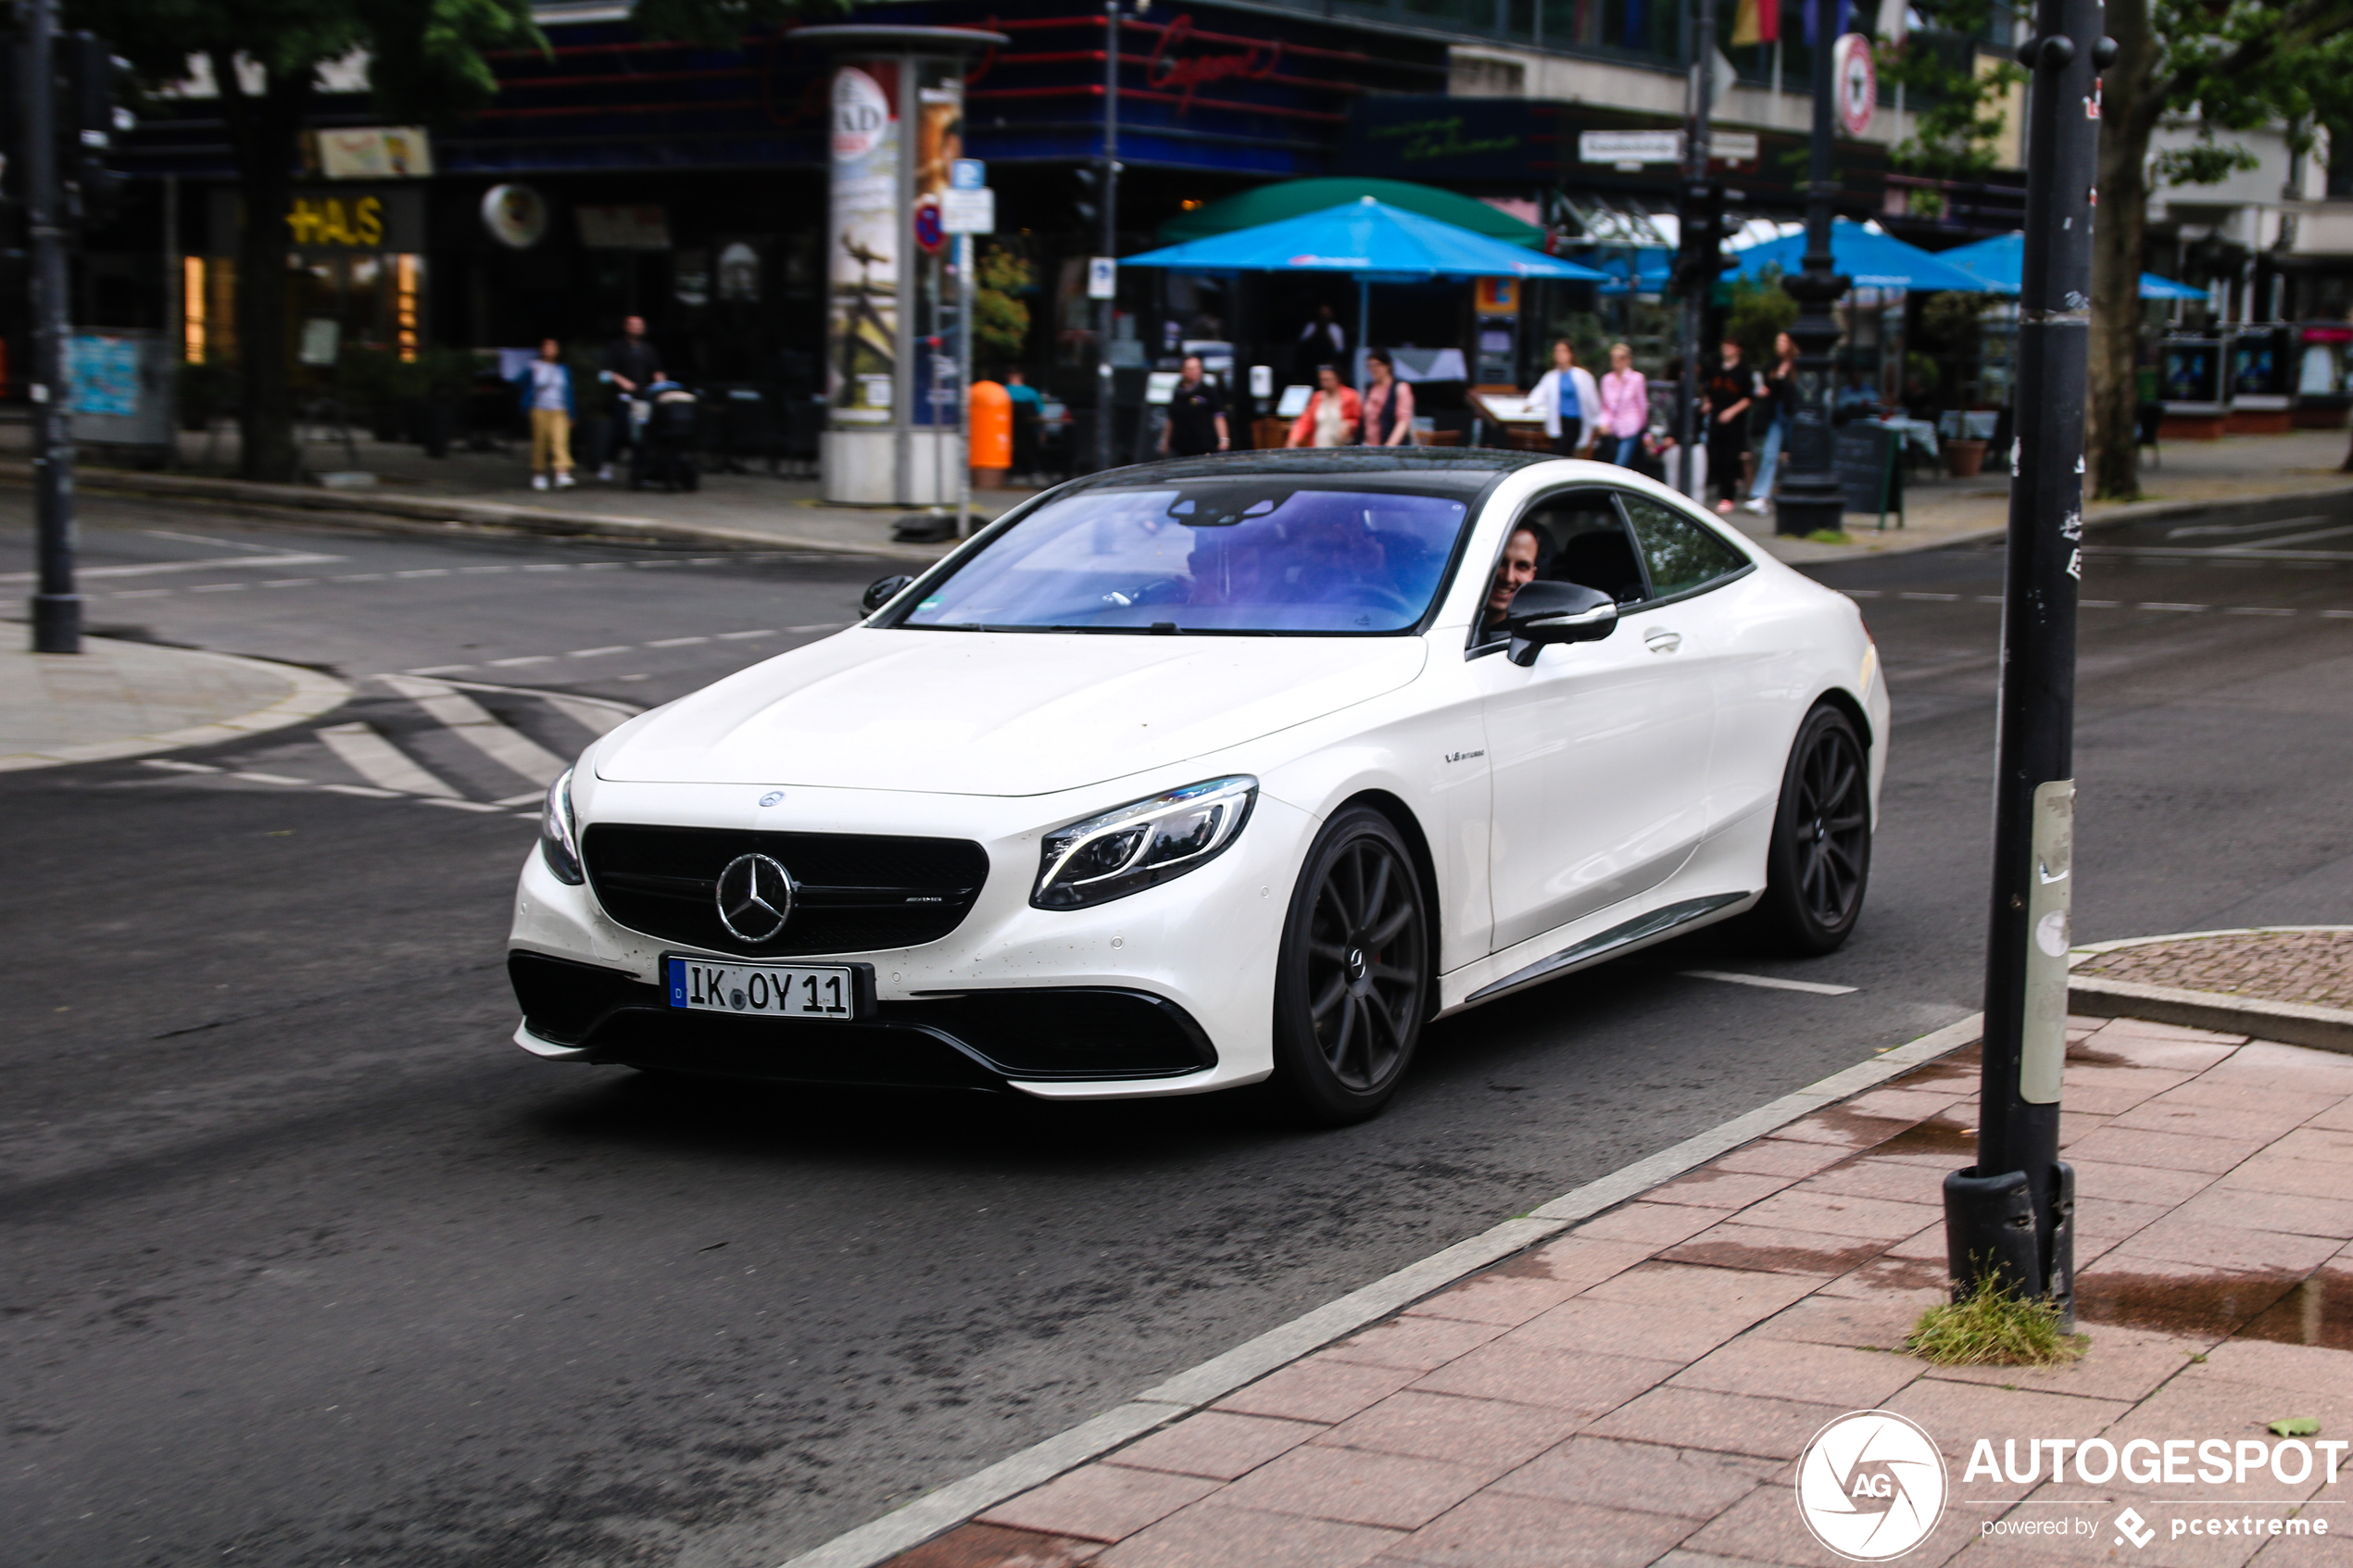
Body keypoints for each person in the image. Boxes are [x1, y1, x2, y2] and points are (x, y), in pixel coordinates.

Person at [1702, 337, 1757, 515]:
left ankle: (1728, 496)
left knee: (1729, 459)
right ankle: (1721, 490)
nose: (1726, 349)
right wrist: (1707, 403)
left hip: (1734, 424)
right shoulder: (1716, 368)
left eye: (1730, 346)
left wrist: (1732, 412)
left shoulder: (1744, 371)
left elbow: (1748, 398)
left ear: (1738, 349)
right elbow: (1708, 391)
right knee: (1715, 457)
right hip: (1715, 420)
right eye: (1724, 346)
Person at [512, 337, 576, 491]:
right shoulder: (534, 366)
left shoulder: (564, 369)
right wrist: (531, 372)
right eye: (546, 347)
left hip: (559, 410)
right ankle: (539, 474)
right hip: (539, 410)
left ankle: (562, 474)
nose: (549, 350)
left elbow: (569, 393)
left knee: (560, 441)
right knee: (540, 442)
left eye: (553, 347)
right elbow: (518, 382)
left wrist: (572, 415)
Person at [1744, 332, 1797, 513]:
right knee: (1769, 454)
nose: (1779, 345)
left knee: (1795, 456)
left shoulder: (1798, 366)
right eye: (1777, 341)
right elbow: (1771, 391)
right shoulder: (1772, 366)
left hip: (1792, 415)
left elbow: (1794, 393)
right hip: (1775, 414)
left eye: (1783, 341)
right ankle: (1761, 496)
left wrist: (1782, 377)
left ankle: (1792, 493)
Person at [1528, 339, 1599, 457]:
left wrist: (1597, 420)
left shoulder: (1582, 376)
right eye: (1557, 352)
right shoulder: (1551, 376)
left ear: (1570, 354)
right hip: (1560, 420)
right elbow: (1540, 391)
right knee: (1560, 452)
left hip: (1574, 421)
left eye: (1563, 351)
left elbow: (1592, 399)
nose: (1559, 355)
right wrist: (1530, 403)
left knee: (1562, 452)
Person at [1478, 523, 1542, 645]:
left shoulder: (1530, 640)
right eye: (1500, 562)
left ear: (1532, 575)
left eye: (1522, 566)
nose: (1509, 577)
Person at [1159, 354, 1229, 458]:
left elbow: (1218, 417)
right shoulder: (1178, 392)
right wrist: (1165, 442)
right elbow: (1171, 419)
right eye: (1191, 369)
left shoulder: (1208, 391)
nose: (1195, 372)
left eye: (1197, 368)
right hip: (1180, 447)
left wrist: (1224, 441)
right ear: (1182, 371)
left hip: (1204, 446)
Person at [1595, 342, 1649, 468]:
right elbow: (1605, 406)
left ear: (1628, 360)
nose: (1617, 362)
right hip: (1613, 429)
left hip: (1630, 427)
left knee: (1621, 463)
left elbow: (1642, 406)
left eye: (1621, 358)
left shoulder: (1636, 379)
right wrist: (1604, 422)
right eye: (1614, 358)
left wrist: (1644, 430)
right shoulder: (1607, 380)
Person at [1285, 365, 1361, 448]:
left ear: (1338, 378)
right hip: (1319, 445)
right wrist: (1294, 440)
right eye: (1322, 380)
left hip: (1342, 447)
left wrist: (1350, 424)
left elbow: (1360, 420)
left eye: (1328, 379)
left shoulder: (1351, 396)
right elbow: (1305, 421)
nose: (1325, 383)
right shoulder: (1317, 397)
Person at [1359, 349, 1416, 446]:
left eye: (1377, 365)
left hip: (1391, 448)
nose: (1373, 369)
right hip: (1369, 446)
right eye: (1370, 366)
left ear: (1388, 365)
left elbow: (1403, 421)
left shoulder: (1400, 387)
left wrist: (1390, 446)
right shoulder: (1369, 388)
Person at [1003, 367, 1044, 481]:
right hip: (1029, 431)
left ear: (1007, 376)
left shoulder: (1001, 391)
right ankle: (1033, 470)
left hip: (1008, 432)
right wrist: (1042, 431)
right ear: (1022, 376)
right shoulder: (1032, 393)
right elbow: (1040, 414)